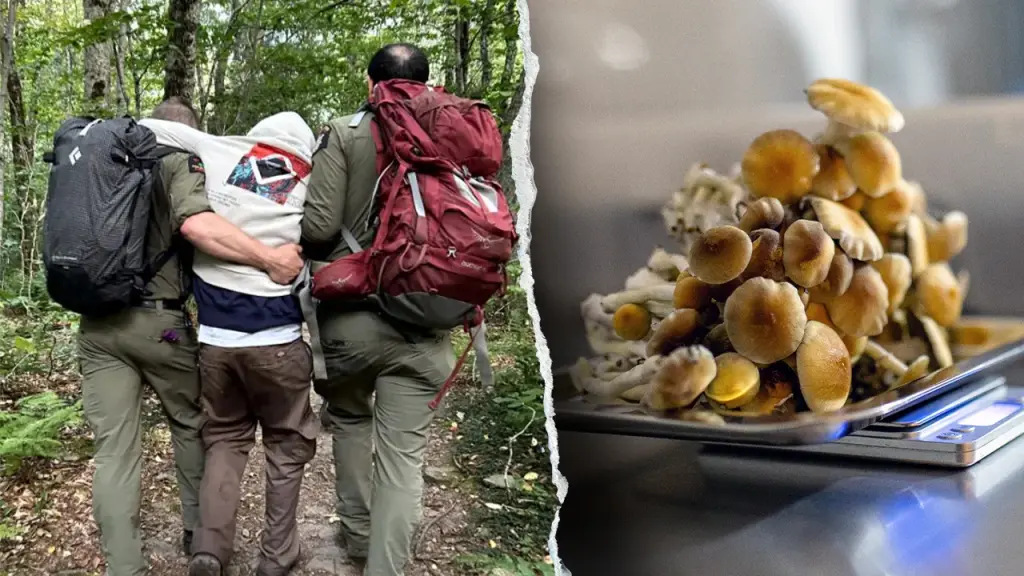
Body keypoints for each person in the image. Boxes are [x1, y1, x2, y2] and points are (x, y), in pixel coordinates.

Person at [78, 97, 305, 576]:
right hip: (161, 325)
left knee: (114, 453)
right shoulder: (181, 162)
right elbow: (199, 226)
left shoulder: (103, 164)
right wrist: (269, 259)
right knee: (193, 426)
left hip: (96, 325)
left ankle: (126, 566)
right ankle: (198, 535)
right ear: (186, 133)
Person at [140, 111, 321, 576]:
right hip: (279, 342)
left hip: (217, 344)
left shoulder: (215, 149)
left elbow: (145, 125)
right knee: (285, 443)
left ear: (255, 137)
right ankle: (277, 555)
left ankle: (209, 551)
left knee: (223, 438)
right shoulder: (312, 177)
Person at [302, 43, 456, 576]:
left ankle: (358, 537)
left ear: (372, 87)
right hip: (429, 319)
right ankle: (386, 567)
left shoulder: (344, 134)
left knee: (348, 419)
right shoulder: (454, 134)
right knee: (403, 460)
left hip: (352, 320)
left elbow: (319, 228)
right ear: (427, 83)